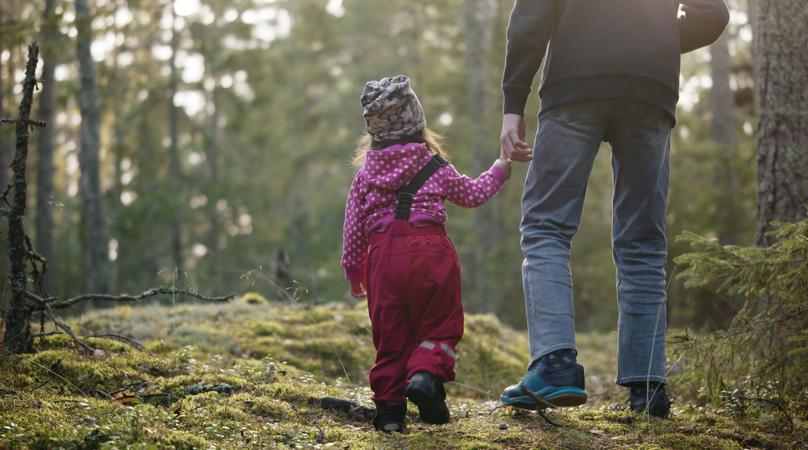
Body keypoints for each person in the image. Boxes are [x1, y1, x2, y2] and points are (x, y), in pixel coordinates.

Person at [497, 0, 729, 419]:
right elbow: (712, 13)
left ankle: (554, 363)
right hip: (651, 89)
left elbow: (531, 17)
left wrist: (513, 104)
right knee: (643, 241)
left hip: (575, 85)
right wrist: (654, 42)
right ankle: (648, 387)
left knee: (546, 226)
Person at [342, 75, 511, 432]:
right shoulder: (433, 166)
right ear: (418, 122)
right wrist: (500, 170)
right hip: (432, 252)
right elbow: (472, 194)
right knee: (440, 325)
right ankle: (425, 376)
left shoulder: (364, 177)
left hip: (383, 261)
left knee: (390, 338)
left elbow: (353, 227)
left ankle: (389, 413)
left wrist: (354, 269)